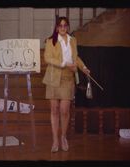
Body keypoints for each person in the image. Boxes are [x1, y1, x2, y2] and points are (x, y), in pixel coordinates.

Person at [42, 16, 90, 153]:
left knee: (64, 110)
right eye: (60, 26)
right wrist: (64, 64)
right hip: (53, 78)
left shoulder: (73, 40)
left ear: (68, 27)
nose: (62, 28)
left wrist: (84, 67)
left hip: (68, 79)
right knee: (54, 110)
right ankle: (55, 140)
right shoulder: (50, 41)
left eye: (65, 26)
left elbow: (76, 58)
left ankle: (63, 137)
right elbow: (47, 58)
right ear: (57, 28)